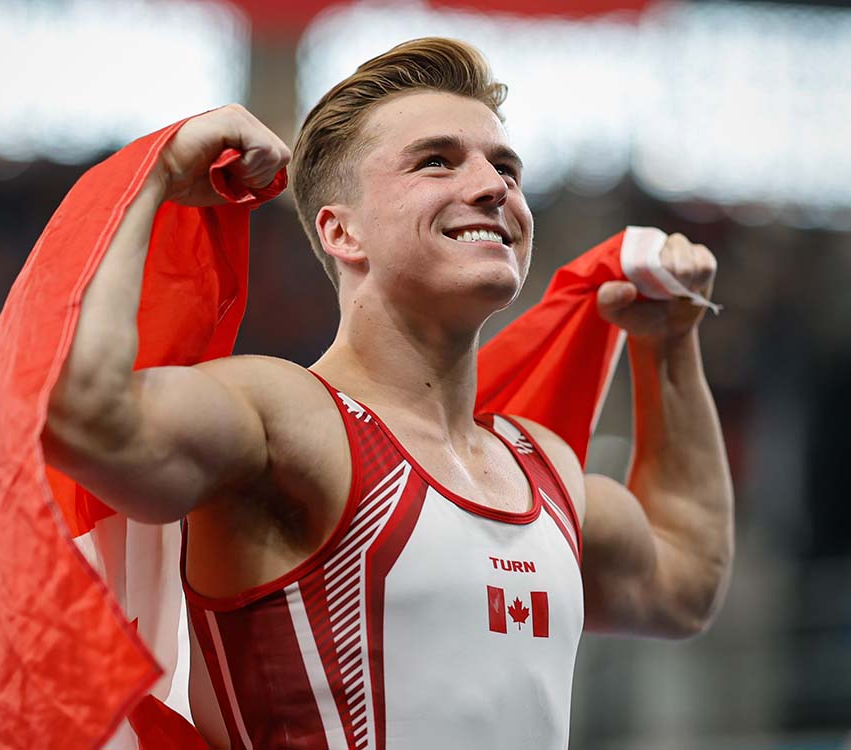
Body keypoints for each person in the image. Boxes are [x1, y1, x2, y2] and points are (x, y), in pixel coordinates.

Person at [42, 38, 733, 749]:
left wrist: (670, 343)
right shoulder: (288, 418)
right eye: (438, 160)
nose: (495, 187)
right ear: (342, 231)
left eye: (506, 167)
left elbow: (685, 580)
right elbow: (85, 420)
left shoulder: (543, 465)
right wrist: (151, 178)